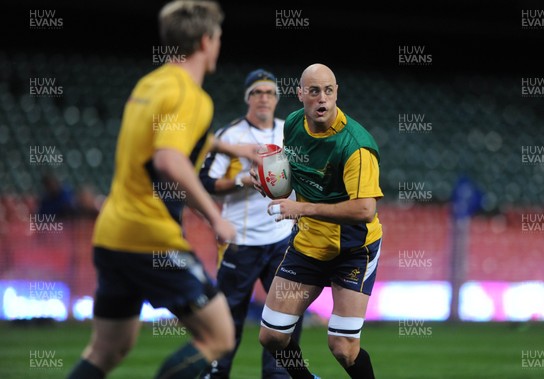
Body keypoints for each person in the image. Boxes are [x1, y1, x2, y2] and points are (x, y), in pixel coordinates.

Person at [66, 1, 260, 378]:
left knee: (108, 348)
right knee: (218, 338)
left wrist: (228, 147)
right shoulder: (192, 96)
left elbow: (167, 137)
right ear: (206, 41)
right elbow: (169, 160)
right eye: (218, 38)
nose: (219, 45)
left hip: (112, 234)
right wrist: (216, 218)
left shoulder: (149, 84)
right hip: (149, 235)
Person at [251, 63, 383, 379]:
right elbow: (296, 172)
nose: (322, 98)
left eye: (328, 90)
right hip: (309, 246)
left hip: (352, 250)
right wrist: (273, 185)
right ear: (300, 95)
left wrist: (303, 210)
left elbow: (365, 210)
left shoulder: (356, 146)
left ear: (336, 92)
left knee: (342, 347)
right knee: (272, 337)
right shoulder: (294, 125)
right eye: (313, 91)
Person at [199, 68, 304, 379]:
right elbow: (206, 181)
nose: (264, 98)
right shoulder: (229, 136)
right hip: (240, 242)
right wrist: (243, 180)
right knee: (228, 319)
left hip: (283, 240)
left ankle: (279, 376)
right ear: (248, 98)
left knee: (285, 318)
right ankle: (216, 374)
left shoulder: (292, 131)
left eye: (270, 92)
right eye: (257, 92)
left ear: (276, 98)